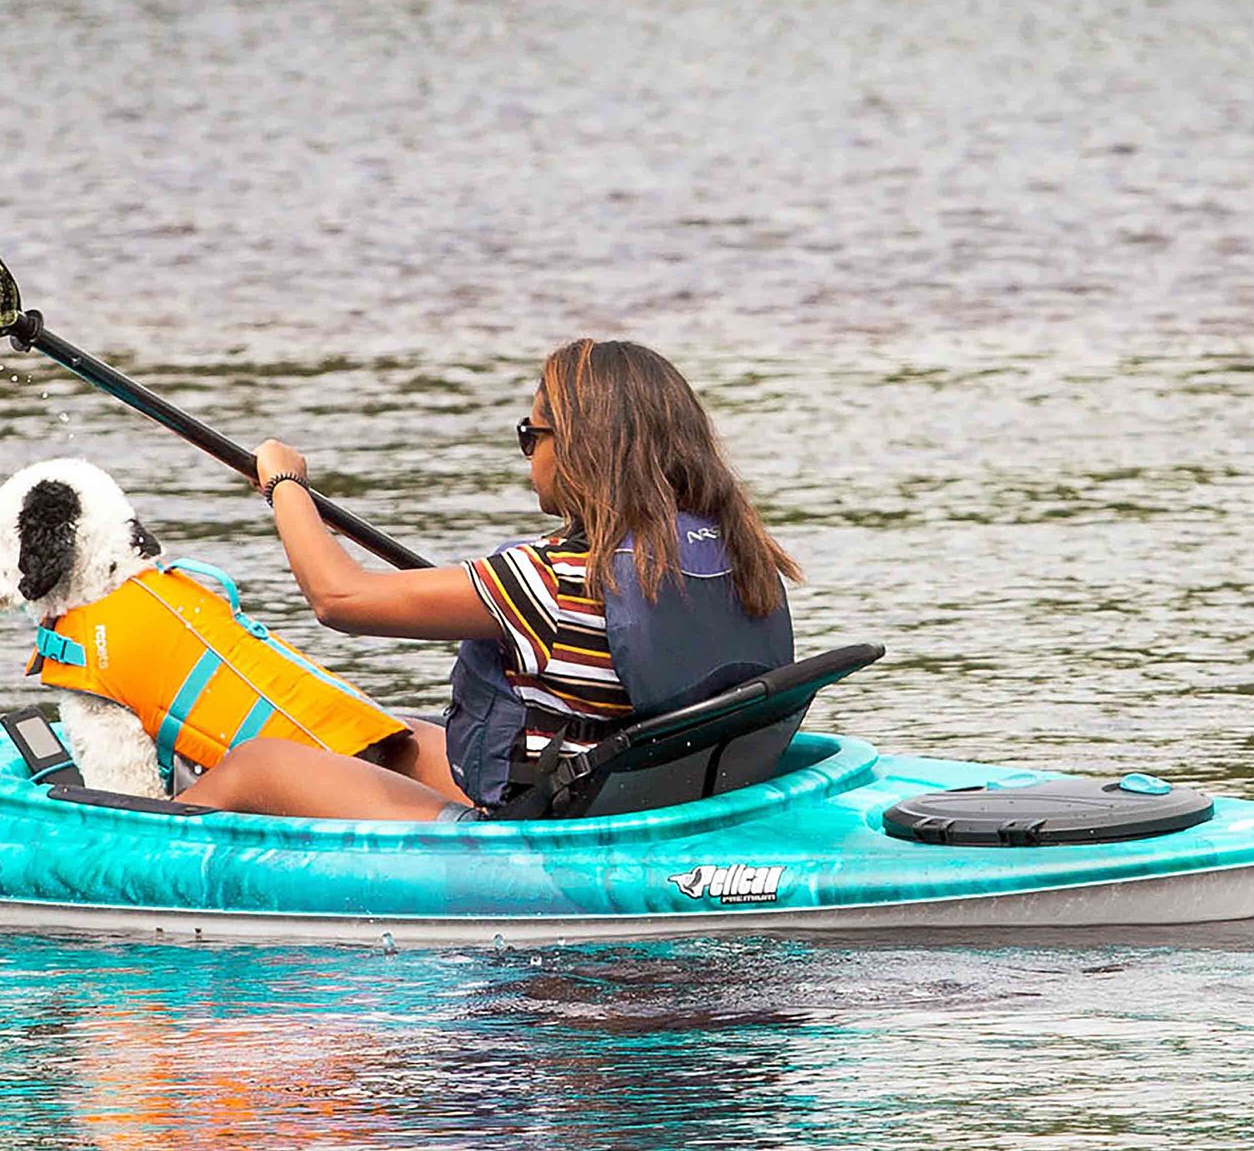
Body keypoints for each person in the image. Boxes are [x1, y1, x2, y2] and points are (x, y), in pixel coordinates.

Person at [175, 338, 800, 821]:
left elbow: (338, 597)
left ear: (579, 448)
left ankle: (139, 852)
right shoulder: (741, 556)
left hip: (545, 826)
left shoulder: (548, 580)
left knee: (258, 763)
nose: (528, 453)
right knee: (389, 740)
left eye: (532, 435)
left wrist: (285, 485)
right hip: (640, 796)